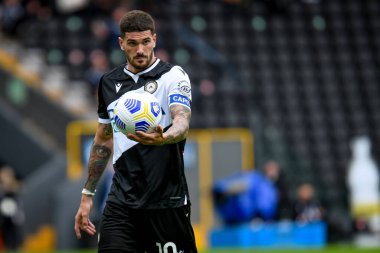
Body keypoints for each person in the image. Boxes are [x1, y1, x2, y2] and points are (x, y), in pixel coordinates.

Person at [74, 10, 197, 253]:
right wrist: (87, 194)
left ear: (154, 39)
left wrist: (164, 137)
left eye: (145, 42)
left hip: (166, 202)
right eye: (132, 43)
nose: (140, 50)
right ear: (121, 43)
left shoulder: (173, 76)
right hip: (121, 203)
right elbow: (103, 141)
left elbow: (182, 120)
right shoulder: (108, 83)